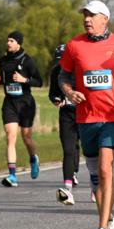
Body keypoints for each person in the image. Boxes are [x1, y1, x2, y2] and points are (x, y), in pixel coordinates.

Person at [60, 1, 114, 229]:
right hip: (86, 117)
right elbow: (63, 75)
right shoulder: (74, 46)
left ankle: (103, 228)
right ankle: (110, 220)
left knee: (106, 169)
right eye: (85, 15)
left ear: (105, 18)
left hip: (112, 116)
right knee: (95, 179)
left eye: (92, 15)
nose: (87, 19)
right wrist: (69, 92)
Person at [0, 31, 43, 188]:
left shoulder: (27, 61)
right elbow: (5, 79)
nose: (8, 43)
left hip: (25, 103)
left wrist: (24, 80)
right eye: (8, 40)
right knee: (10, 137)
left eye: (12, 41)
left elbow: (39, 81)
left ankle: (33, 158)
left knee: (26, 138)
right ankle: (12, 175)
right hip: (9, 103)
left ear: (19, 43)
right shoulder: (2, 60)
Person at [48, 43, 81, 205]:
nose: (61, 63)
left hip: (86, 114)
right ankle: (68, 190)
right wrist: (56, 99)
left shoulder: (80, 68)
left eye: (64, 60)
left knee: (91, 153)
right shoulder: (56, 72)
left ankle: (95, 187)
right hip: (66, 114)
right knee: (68, 150)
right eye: (59, 60)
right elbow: (53, 93)